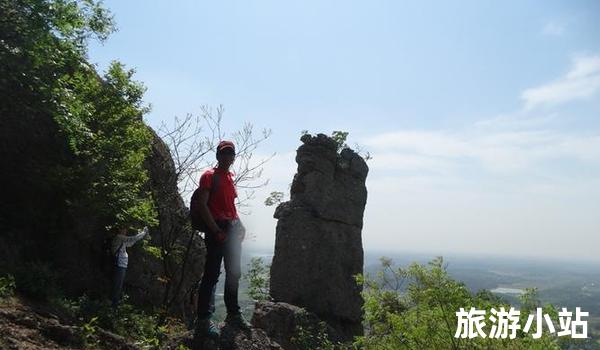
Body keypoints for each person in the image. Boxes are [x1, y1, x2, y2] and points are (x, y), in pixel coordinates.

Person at [195, 140, 249, 339]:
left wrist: (240, 225)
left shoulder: (229, 177)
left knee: (234, 273)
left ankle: (233, 314)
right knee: (211, 275)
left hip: (232, 228)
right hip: (217, 229)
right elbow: (202, 205)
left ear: (234, 157)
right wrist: (216, 230)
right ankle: (203, 320)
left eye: (231, 153)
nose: (227, 156)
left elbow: (231, 208)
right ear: (218, 155)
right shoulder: (209, 176)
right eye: (224, 153)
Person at [111, 226, 149, 308]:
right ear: (120, 229)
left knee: (118, 285)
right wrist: (143, 232)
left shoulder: (121, 239)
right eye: (124, 229)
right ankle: (113, 306)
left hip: (122, 264)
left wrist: (140, 235)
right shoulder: (119, 237)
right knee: (117, 285)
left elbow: (130, 243)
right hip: (119, 264)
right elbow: (132, 239)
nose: (126, 230)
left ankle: (114, 305)